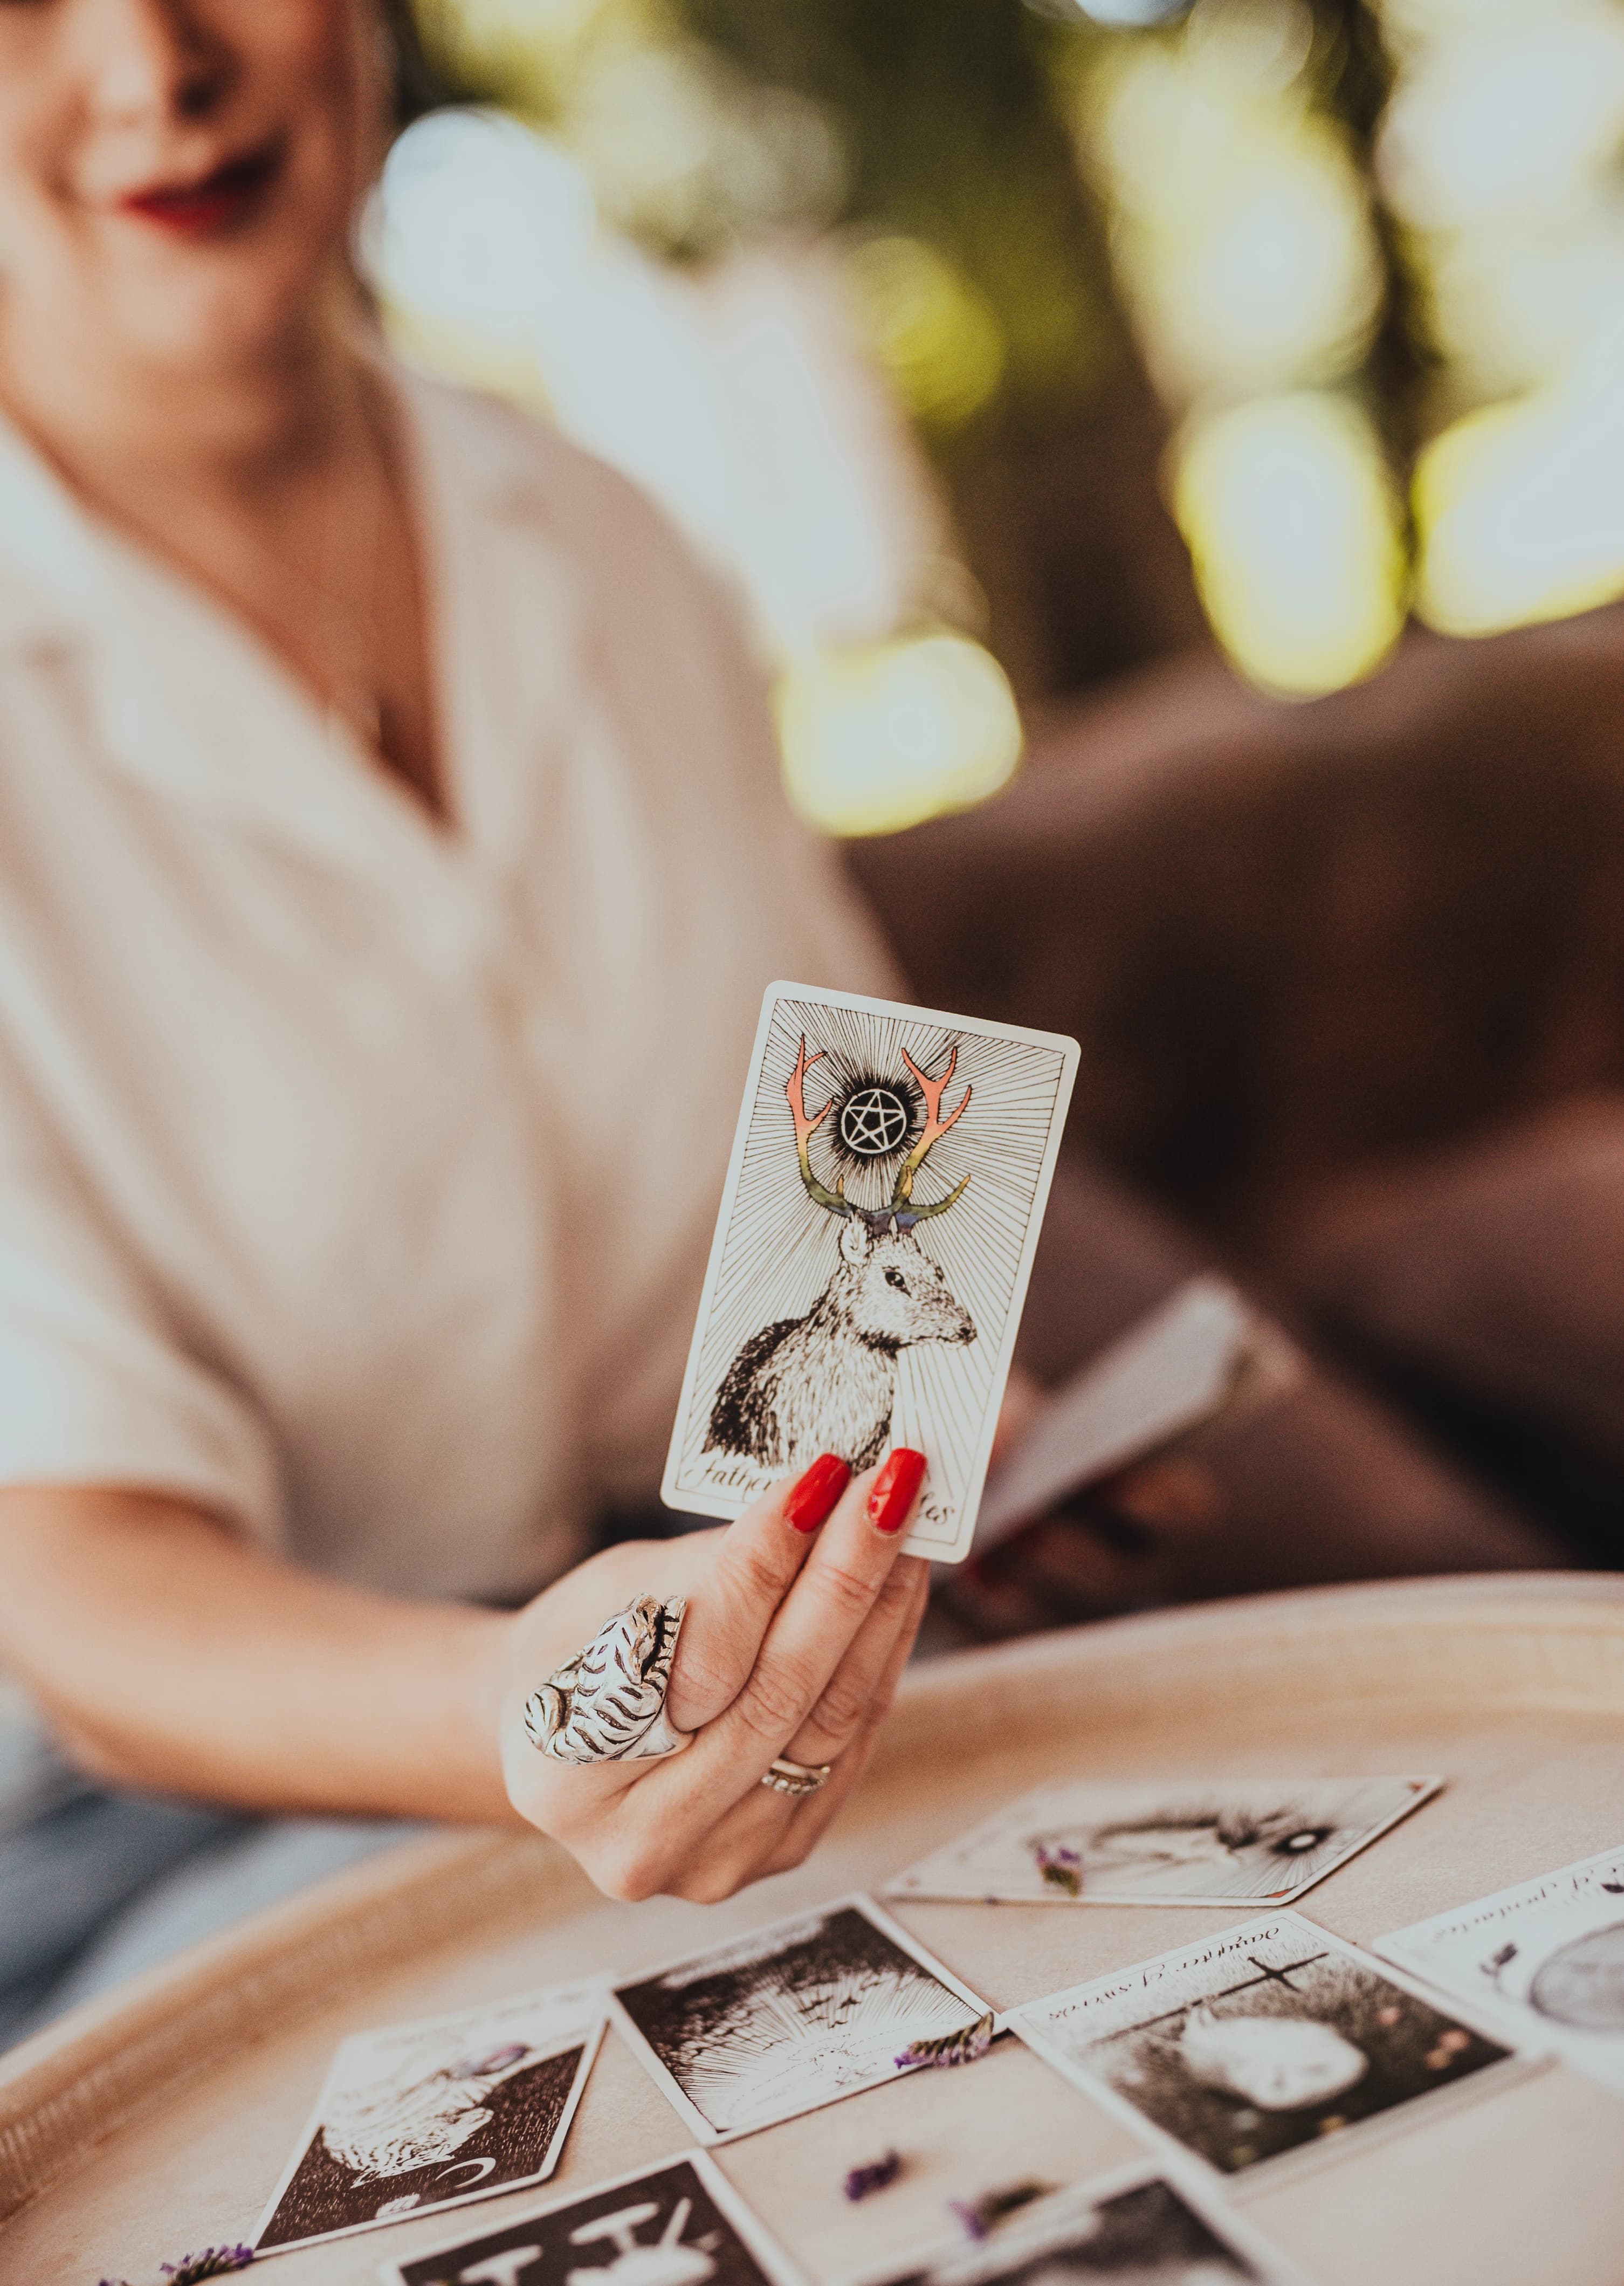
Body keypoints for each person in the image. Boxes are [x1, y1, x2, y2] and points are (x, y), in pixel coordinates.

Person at [0, 0, 1552, 2044]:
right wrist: (538, 1703)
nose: (151, 61)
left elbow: (841, 1201)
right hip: (165, 1823)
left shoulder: (603, 535)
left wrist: (934, 1468)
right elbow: (84, 1602)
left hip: (684, 1642)